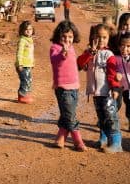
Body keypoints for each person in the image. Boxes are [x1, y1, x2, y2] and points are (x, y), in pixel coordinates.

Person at [77, 24, 122, 153]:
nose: (101, 40)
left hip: (107, 92)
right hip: (96, 93)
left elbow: (113, 73)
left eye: (104, 37)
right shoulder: (89, 52)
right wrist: (90, 52)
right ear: (92, 38)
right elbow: (80, 63)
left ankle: (116, 142)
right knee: (101, 116)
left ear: (108, 39)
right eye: (98, 37)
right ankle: (103, 139)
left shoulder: (109, 54)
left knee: (110, 116)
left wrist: (115, 89)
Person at [50, 20, 87, 151]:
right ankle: (78, 141)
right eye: (64, 36)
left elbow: (75, 66)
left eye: (70, 37)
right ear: (58, 35)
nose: (67, 39)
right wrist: (62, 53)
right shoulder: (55, 48)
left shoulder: (71, 48)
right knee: (70, 115)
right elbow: (55, 61)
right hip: (63, 88)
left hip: (74, 87)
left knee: (67, 114)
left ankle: (60, 138)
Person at [15, 20, 35, 104]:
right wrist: (20, 64)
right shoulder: (22, 40)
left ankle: (23, 95)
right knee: (25, 80)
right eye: (26, 29)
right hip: (22, 65)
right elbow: (19, 53)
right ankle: (22, 96)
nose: (28, 31)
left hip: (28, 64)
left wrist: (32, 63)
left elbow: (31, 53)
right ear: (22, 30)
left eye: (30, 29)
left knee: (29, 80)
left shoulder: (30, 40)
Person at [115, 33, 130, 131]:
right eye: (122, 45)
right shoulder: (115, 58)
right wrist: (116, 74)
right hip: (118, 87)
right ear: (118, 46)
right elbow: (110, 70)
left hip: (129, 88)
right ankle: (108, 119)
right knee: (116, 104)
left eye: (128, 46)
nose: (125, 48)